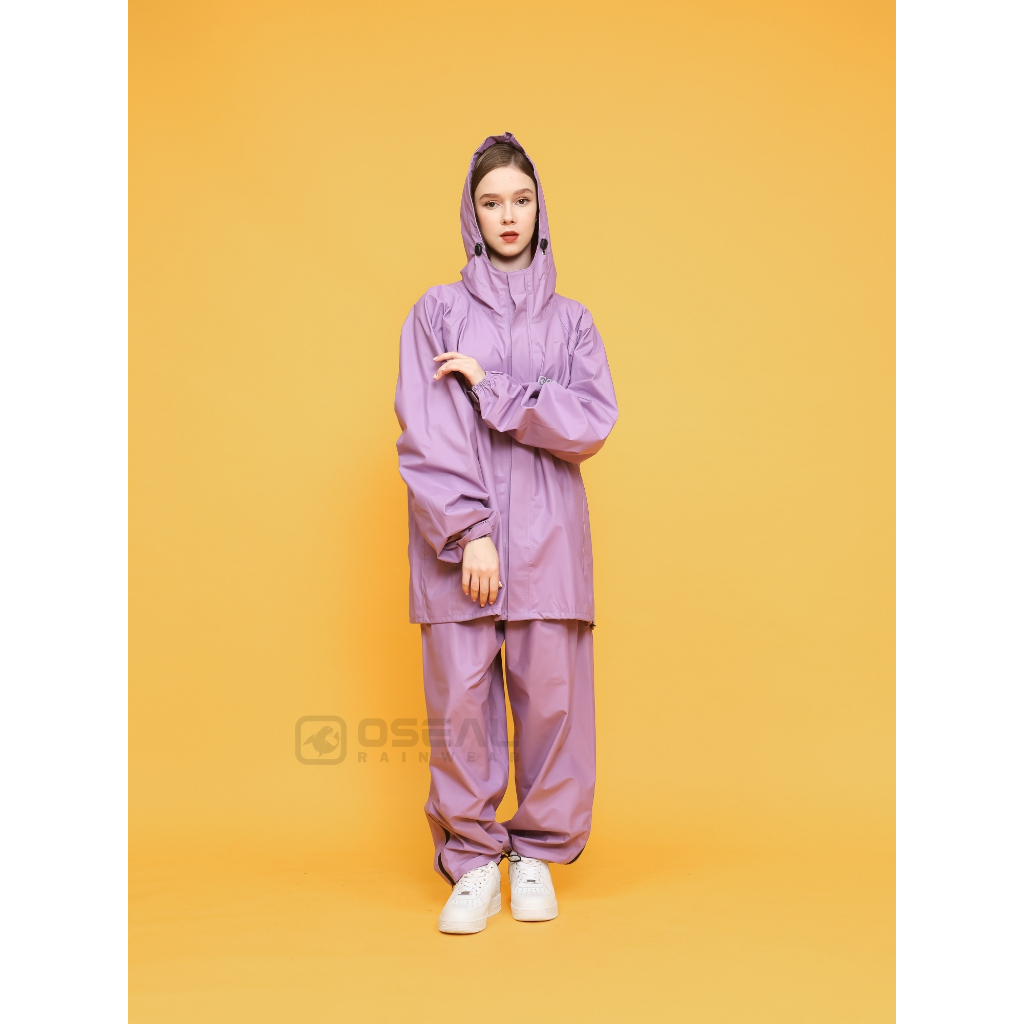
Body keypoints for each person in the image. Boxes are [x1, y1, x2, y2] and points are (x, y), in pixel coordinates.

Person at [394, 132, 618, 933]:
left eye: (520, 199)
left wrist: (495, 388)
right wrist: (470, 532)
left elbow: (589, 423)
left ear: (539, 208)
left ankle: (536, 859)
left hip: (551, 545)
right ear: (472, 214)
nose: (508, 215)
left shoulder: (574, 323)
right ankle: (472, 863)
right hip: (457, 550)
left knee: (554, 707)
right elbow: (428, 429)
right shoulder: (437, 311)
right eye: (491, 202)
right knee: (460, 709)